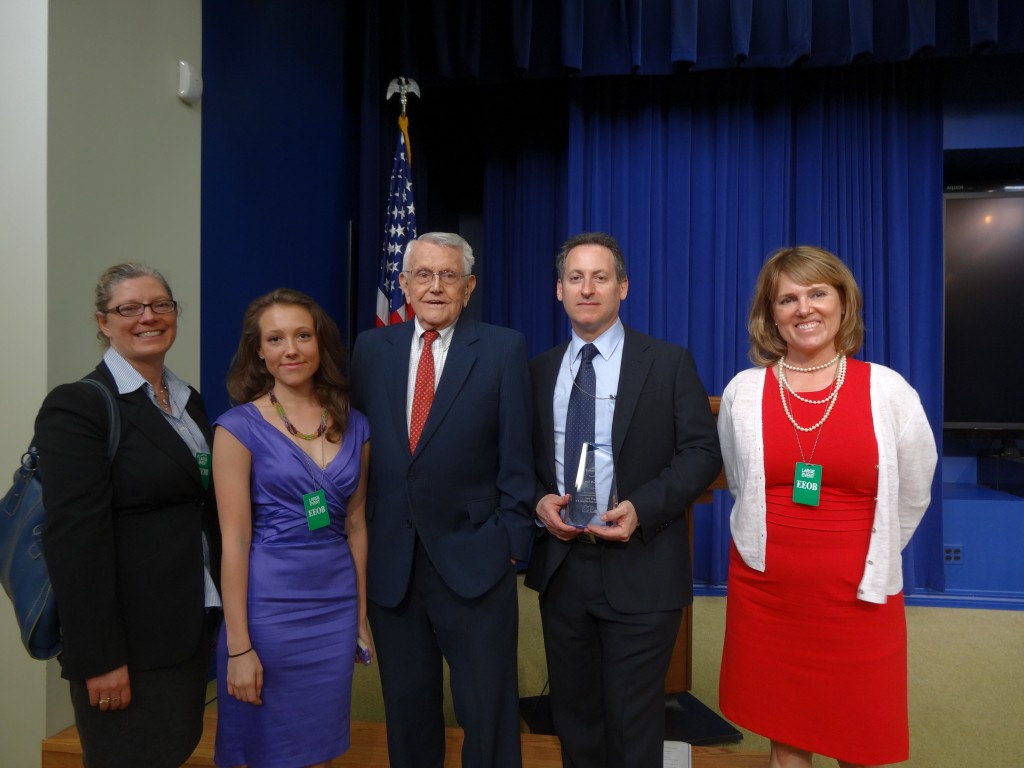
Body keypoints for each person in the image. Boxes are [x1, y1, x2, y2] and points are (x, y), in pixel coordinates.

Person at [717, 246, 937, 768]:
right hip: (769, 594)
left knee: (860, 741)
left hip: (859, 599)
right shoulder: (743, 393)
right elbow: (742, 486)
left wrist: (872, 551)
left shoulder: (888, 391)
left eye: (817, 293)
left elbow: (915, 490)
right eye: (787, 298)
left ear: (843, 302)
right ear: (771, 313)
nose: (804, 308)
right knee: (785, 740)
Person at [525, 232, 722, 768]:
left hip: (643, 567)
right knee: (575, 720)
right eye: (575, 278)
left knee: (635, 727)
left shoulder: (667, 362)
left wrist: (643, 507)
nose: (587, 289)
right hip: (564, 570)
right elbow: (522, 462)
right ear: (559, 290)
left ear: (623, 287)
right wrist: (539, 499)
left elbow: (703, 454)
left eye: (601, 277)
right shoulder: (538, 371)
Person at [349, 232, 534, 768]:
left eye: (448, 275)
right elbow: (361, 452)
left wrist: (507, 544)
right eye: (423, 275)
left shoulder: (503, 349)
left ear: (468, 286)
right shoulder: (371, 349)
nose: (435, 286)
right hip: (394, 565)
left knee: (488, 713)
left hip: (476, 560)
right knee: (407, 711)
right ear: (403, 284)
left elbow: (518, 458)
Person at [34, 263, 221, 768]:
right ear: (103, 322)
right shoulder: (79, 407)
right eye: (130, 308)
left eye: (161, 305)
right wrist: (99, 659)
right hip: (126, 647)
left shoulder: (187, 402)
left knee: (173, 750)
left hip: (185, 628)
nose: (148, 317)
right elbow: (74, 541)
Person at [212, 288, 370, 768]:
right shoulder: (236, 428)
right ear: (259, 351)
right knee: (266, 751)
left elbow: (356, 526)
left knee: (317, 751)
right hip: (268, 612)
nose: (291, 349)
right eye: (276, 339)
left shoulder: (356, 424)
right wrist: (240, 646)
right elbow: (234, 541)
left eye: (302, 336)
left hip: (335, 610)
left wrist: (360, 617)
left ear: (319, 343)